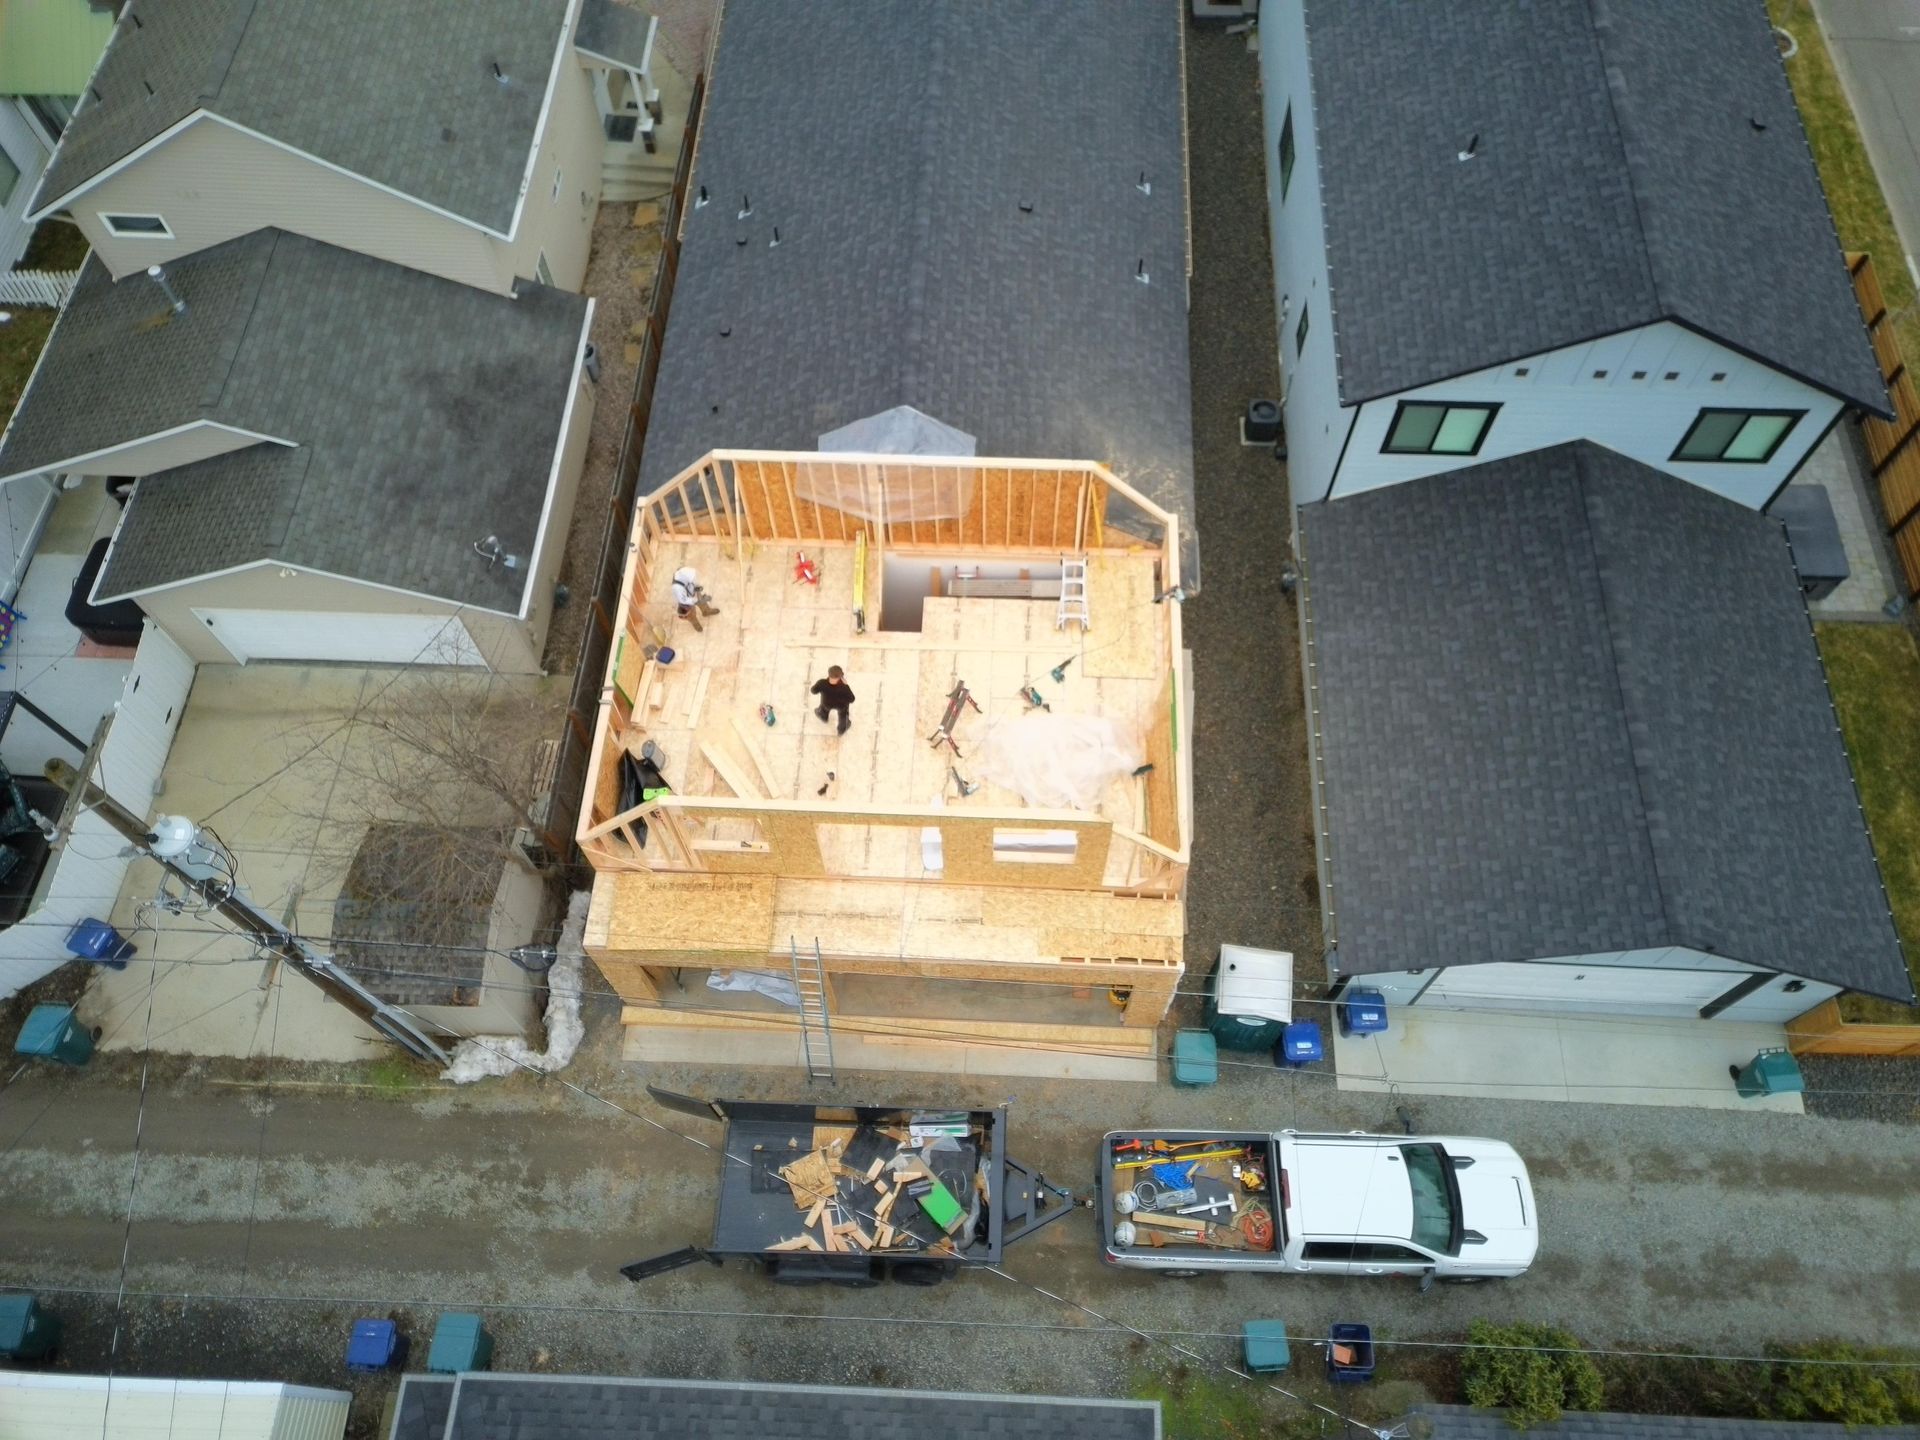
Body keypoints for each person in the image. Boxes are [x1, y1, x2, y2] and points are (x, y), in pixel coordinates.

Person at [811, 665, 855, 735]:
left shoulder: (822, 683)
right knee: (844, 713)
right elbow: (852, 699)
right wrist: (846, 685)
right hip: (841, 706)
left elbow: (813, 691)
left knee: (823, 707)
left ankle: (823, 716)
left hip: (826, 704)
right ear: (840, 677)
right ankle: (842, 728)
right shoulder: (843, 687)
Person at [671, 567, 719, 631]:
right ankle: (695, 623)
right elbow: (684, 600)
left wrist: (698, 589)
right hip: (686, 601)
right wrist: (697, 600)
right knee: (691, 614)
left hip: (691, 591)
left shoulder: (685, 573)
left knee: (702, 602)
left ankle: (706, 611)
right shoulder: (677, 589)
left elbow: (694, 581)